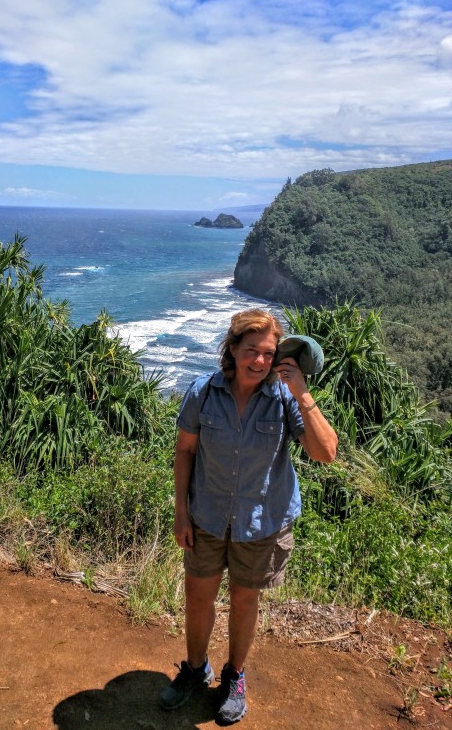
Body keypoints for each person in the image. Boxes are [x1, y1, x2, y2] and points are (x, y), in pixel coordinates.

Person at [159, 309, 338, 724]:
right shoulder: (203, 392)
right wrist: (181, 513)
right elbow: (185, 450)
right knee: (198, 597)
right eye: (251, 350)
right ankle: (195, 668)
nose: (259, 361)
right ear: (233, 349)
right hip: (207, 516)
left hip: (261, 522)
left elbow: (325, 452)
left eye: (268, 353)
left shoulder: (284, 399)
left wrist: (302, 391)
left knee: (244, 600)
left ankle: (234, 676)